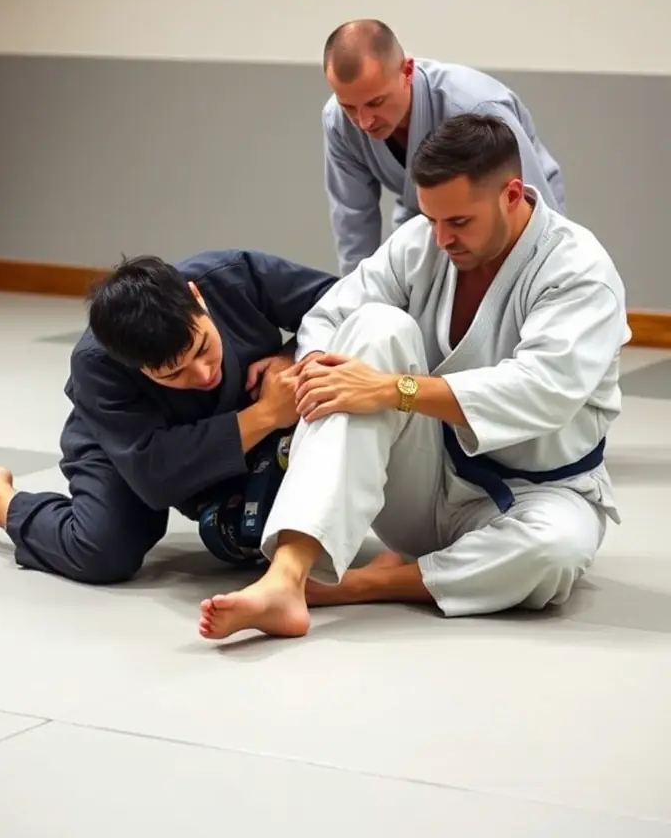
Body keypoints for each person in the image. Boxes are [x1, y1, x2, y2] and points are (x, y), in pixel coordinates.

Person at [198, 112, 629, 641]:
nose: (442, 239)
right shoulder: (422, 242)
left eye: (460, 223)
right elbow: (328, 317)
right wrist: (319, 371)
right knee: (374, 327)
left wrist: (390, 389)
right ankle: (286, 575)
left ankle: (363, 584)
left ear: (512, 194)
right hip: (422, 479)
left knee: (555, 552)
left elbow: (543, 390)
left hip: (540, 495)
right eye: (431, 220)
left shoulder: (578, 271)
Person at [0, 249, 337, 584]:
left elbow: (342, 301)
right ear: (134, 366)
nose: (202, 374)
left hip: (238, 420)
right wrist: (266, 413)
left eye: (201, 349)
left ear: (196, 298)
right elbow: (153, 474)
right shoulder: (96, 365)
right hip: (124, 443)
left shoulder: (233, 276)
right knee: (103, 551)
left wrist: (291, 358)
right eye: (172, 373)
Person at [321, 18, 565, 275]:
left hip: (503, 220)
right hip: (422, 218)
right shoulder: (338, 123)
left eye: (376, 102)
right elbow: (353, 221)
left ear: (407, 71)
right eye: (349, 106)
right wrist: (357, 301)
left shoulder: (477, 108)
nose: (364, 121)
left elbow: (534, 210)